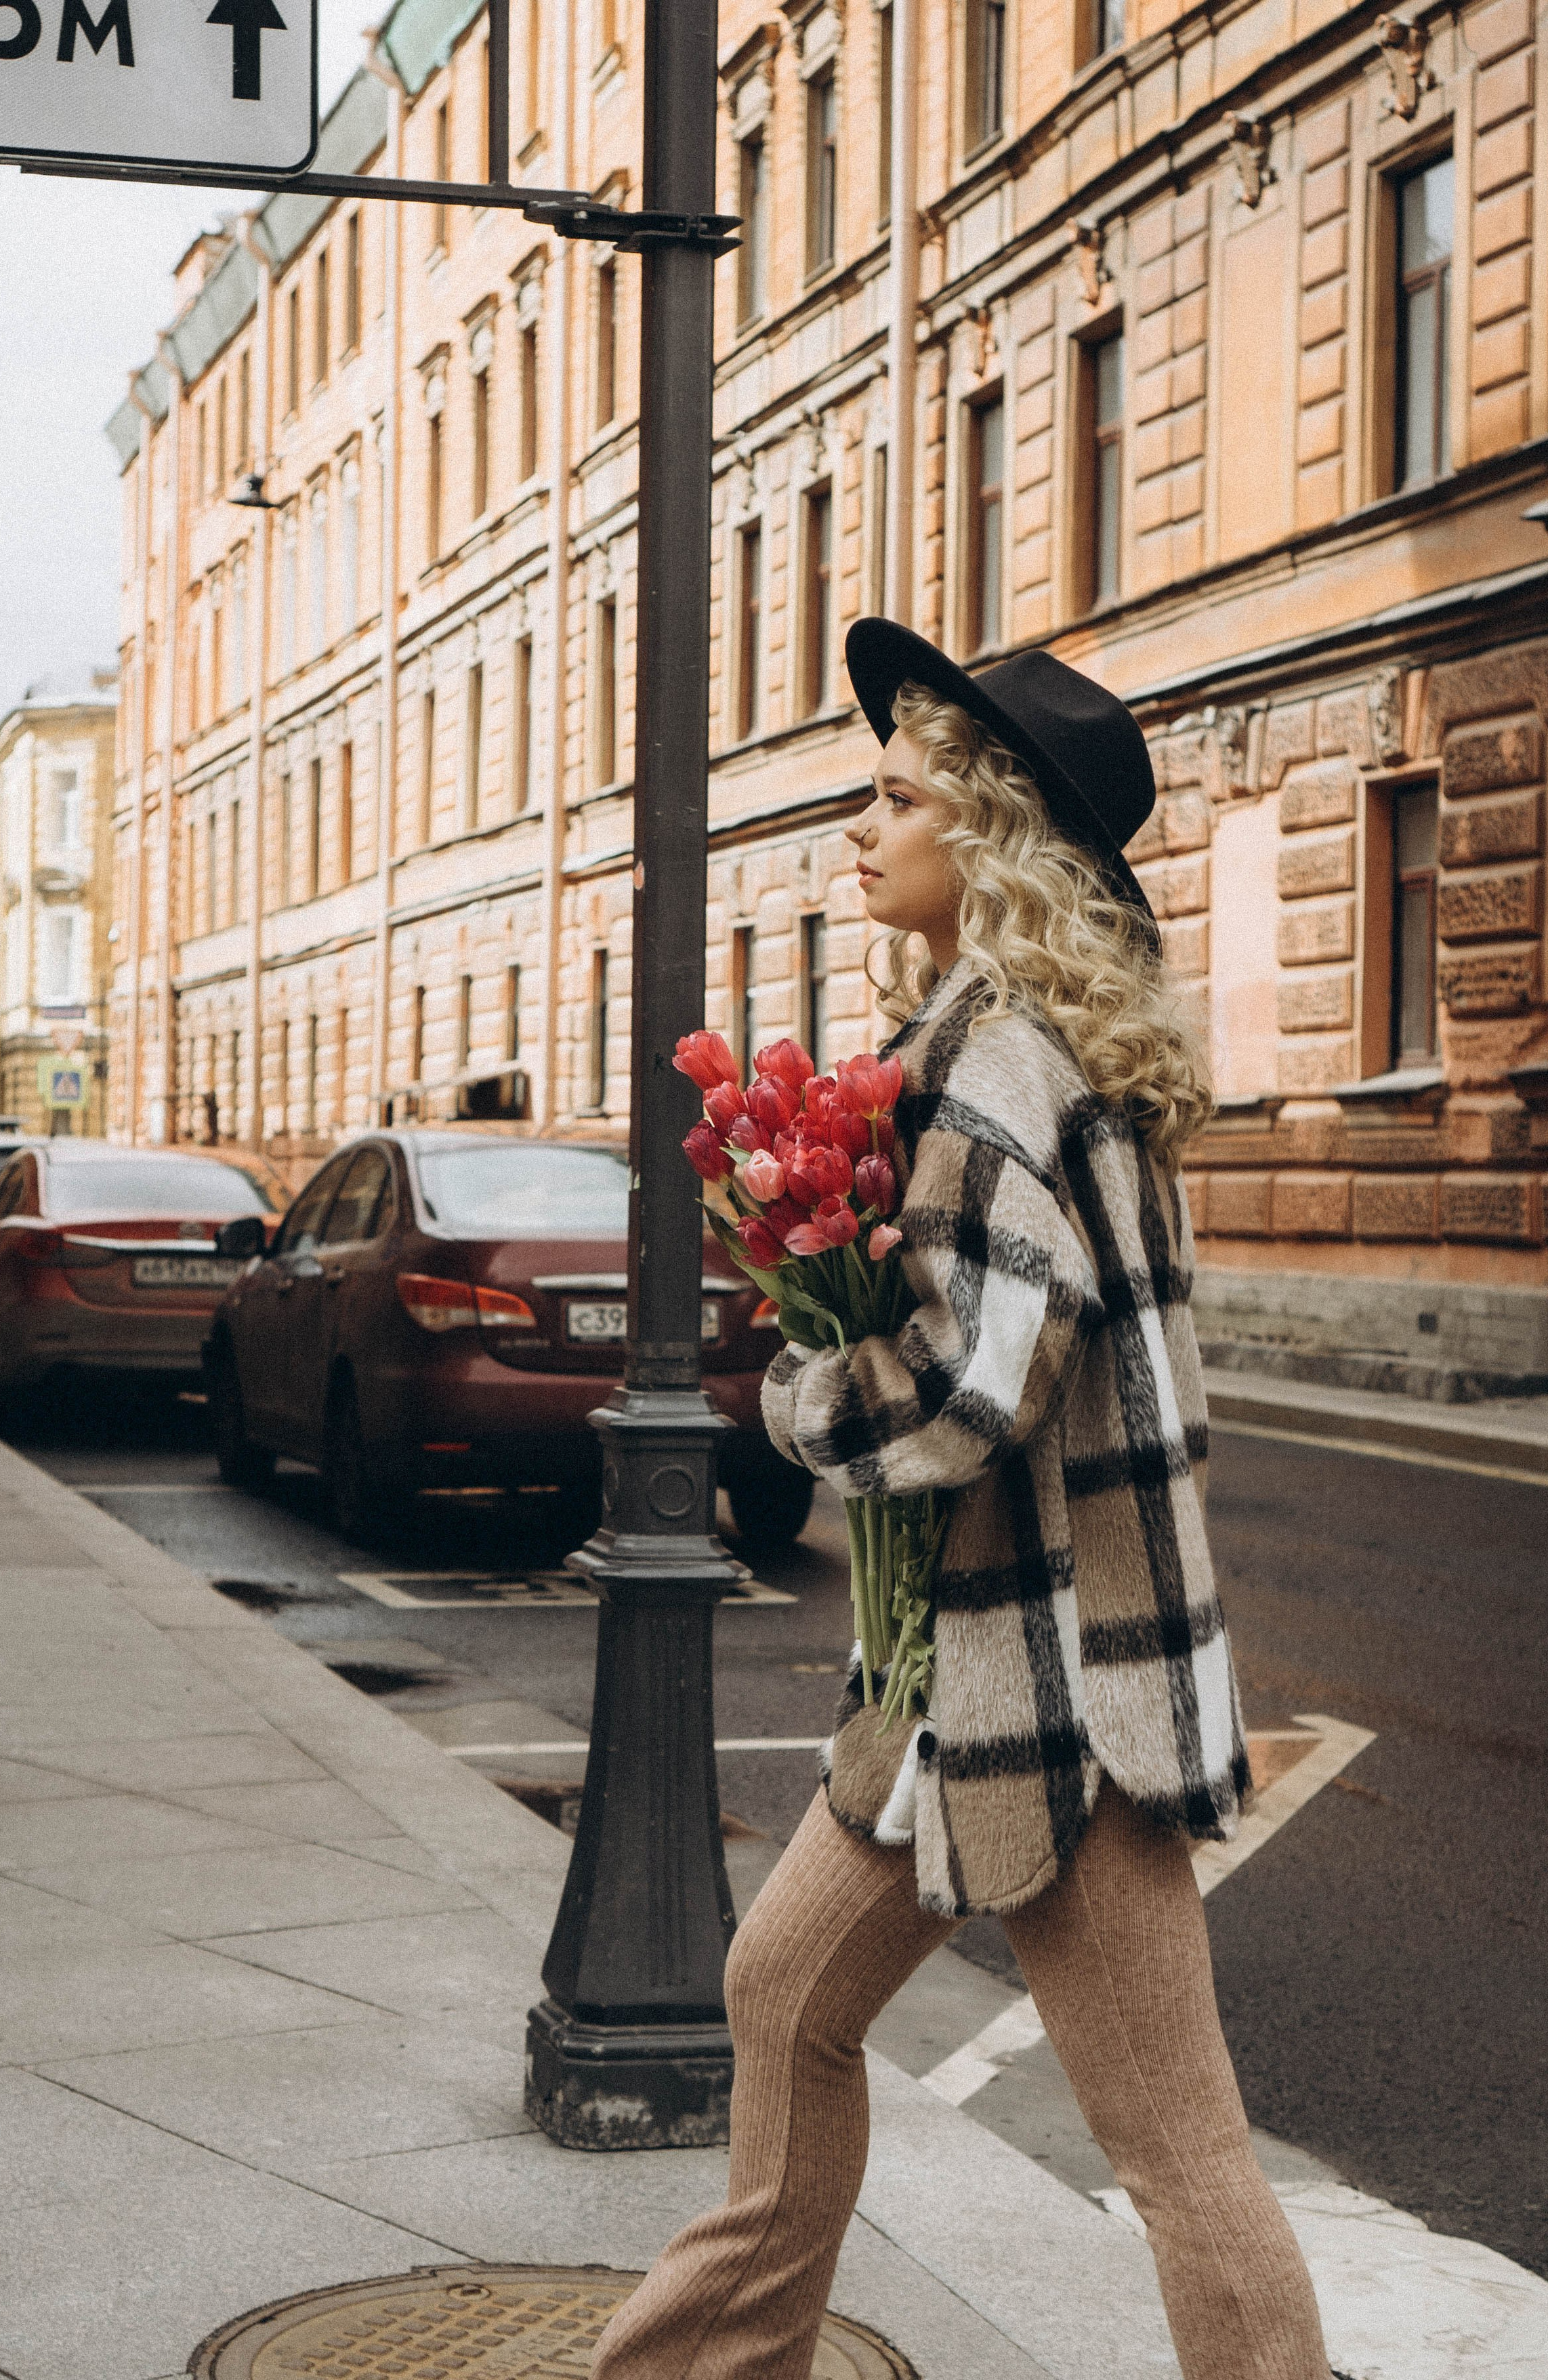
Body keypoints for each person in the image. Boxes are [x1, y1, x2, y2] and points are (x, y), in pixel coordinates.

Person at [592, 621, 1330, 2380]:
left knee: (1177, 2155)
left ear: (990, 836)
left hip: (1064, 1694)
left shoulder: (1003, 1065)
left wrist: (792, 1396)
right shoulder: (1022, 1044)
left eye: (897, 795)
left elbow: (964, 1389)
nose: (862, 826)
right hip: (960, 1687)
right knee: (783, 2003)